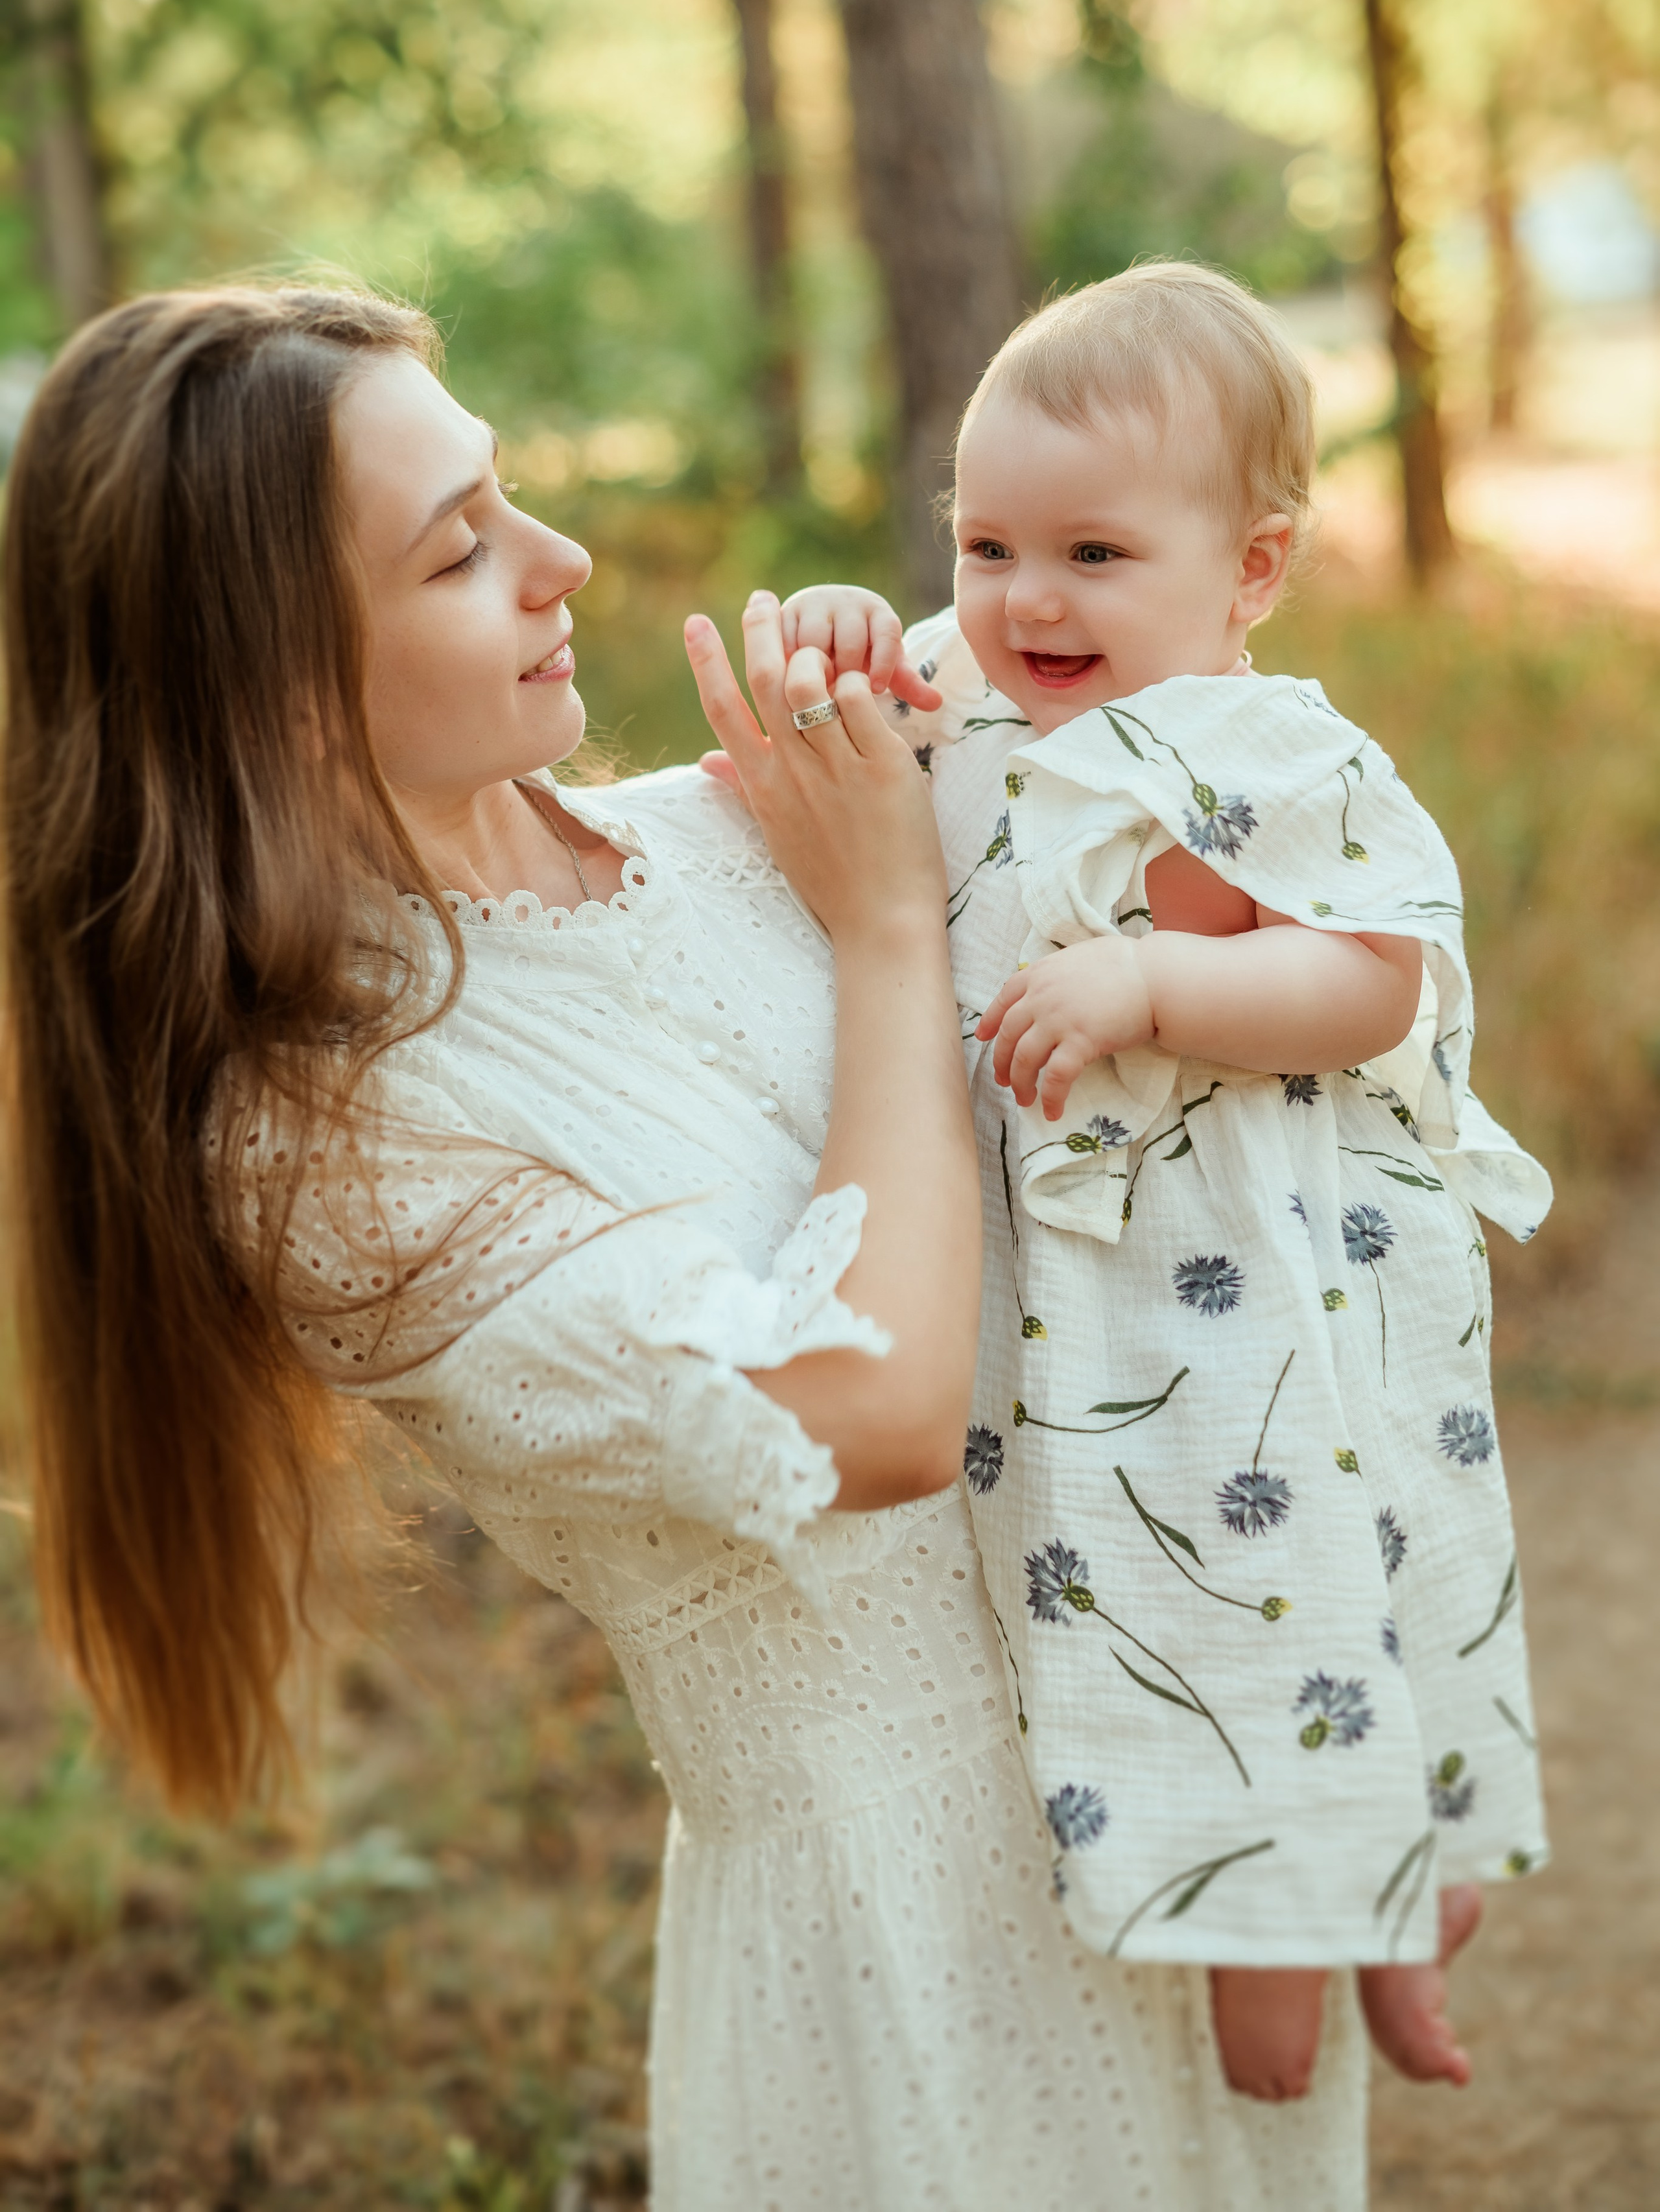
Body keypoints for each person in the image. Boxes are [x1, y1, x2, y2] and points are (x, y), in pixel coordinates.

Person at [4, 283, 1370, 2209]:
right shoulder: (327, 1151)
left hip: (1170, 1781)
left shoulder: (728, 832)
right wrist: (893, 929)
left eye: (513, 499)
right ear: (283, 682)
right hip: (902, 1942)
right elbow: (874, 1423)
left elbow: (1164, 710)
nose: (561, 564)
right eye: (466, 550)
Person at [771, 263, 1550, 2108]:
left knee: (1318, 1600)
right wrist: (827, 627)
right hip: (1080, 1312)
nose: (1027, 597)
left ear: (1251, 571)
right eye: (985, 543)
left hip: (1279, 1291)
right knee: (1137, 1612)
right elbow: (824, 732)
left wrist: (1159, 985)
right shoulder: (963, 697)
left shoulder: (1279, 756)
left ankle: (1383, 1935)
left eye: (1095, 555)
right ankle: (1277, 1955)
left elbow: (1377, 983)